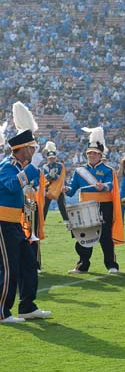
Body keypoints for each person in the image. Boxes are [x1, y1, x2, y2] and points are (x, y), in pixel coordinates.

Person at [0, 102, 51, 322]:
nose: (34, 151)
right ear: (21, 149)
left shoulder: (20, 167)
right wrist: (31, 169)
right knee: (9, 268)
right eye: (31, 148)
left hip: (17, 223)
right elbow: (11, 186)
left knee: (28, 264)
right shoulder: (7, 165)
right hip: (3, 223)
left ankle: (27, 306)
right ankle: (2, 312)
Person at [65, 126, 122, 274]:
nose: (91, 155)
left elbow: (110, 186)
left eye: (94, 153)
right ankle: (82, 265)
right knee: (84, 236)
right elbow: (72, 189)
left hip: (103, 205)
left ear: (100, 155)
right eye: (89, 153)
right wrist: (66, 189)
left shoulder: (108, 170)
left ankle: (111, 265)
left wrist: (103, 186)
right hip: (85, 206)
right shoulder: (79, 171)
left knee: (105, 236)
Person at [41, 141, 68, 223]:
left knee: (62, 206)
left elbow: (60, 177)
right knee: (45, 206)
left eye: (53, 158)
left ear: (55, 158)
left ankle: (67, 221)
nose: (51, 159)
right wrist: (51, 176)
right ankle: (42, 221)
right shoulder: (45, 166)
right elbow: (46, 177)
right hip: (48, 188)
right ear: (47, 159)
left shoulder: (59, 165)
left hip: (58, 188)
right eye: (50, 158)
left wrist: (53, 176)